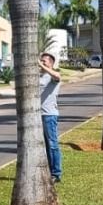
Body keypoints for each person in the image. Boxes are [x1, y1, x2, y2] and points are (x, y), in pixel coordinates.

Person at [39, 50, 63, 183]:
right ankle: (49, 171)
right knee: (45, 145)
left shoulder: (52, 76)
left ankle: (56, 173)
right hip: (38, 116)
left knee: (53, 144)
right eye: (41, 60)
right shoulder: (39, 77)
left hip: (49, 115)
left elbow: (57, 76)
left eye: (45, 61)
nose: (42, 63)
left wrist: (42, 66)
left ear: (51, 63)